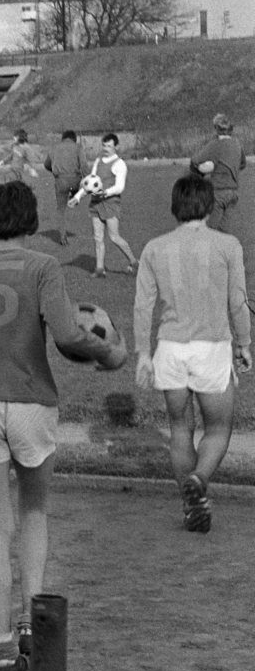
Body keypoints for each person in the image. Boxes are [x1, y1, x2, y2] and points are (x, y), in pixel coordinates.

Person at [0, 182, 123, 671]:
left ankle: (0, 647)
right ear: (30, 220)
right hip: (30, 403)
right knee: (34, 513)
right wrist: (108, 352)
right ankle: (30, 626)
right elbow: (65, 335)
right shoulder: (43, 267)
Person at [133, 175, 252, 533]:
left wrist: (143, 353)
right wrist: (244, 344)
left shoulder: (154, 248)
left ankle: (191, 507)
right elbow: (238, 302)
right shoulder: (228, 244)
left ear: (175, 206)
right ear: (210, 204)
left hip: (170, 349)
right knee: (218, 428)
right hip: (212, 347)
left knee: (179, 429)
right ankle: (199, 480)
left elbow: (143, 306)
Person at [78, 133, 140, 278]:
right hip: (96, 204)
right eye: (104, 145)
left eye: (109, 146)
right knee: (98, 237)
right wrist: (77, 197)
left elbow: (120, 187)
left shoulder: (119, 164)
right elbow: (90, 182)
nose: (106, 149)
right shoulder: (98, 161)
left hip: (111, 204)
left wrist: (104, 193)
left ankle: (134, 262)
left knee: (114, 237)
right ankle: (100, 269)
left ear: (116, 147)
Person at [191, 113, 246, 235]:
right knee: (225, 232)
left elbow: (195, 161)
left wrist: (203, 172)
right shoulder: (236, 143)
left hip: (218, 193)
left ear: (216, 128)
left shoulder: (214, 145)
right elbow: (242, 164)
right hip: (233, 193)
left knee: (209, 230)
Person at [42, 129, 82, 245]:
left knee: (61, 210)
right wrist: (85, 178)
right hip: (75, 179)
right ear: (74, 139)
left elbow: (46, 164)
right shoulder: (78, 147)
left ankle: (63, 237)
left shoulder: (54, 147)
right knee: (76, 191)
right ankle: (75, 196)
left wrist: (54, 172)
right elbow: (83, 165)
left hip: (60, 180)